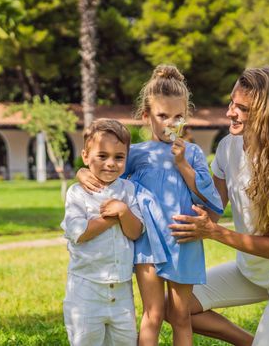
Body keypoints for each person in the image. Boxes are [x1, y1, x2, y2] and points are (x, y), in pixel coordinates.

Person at [169, 66, 269, 346]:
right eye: (231, 103)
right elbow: (211, 208)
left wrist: (213, 232)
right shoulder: (229, 146)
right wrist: (176, 170)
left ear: (268, 113)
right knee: (175, 306)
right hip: (248, 271)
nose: (230, 112)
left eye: (243, 108)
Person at [77, 64, 223, 345]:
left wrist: (182, 165)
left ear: (186, 117)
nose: (170, 122)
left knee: (181, 316)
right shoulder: (135, 154)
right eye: (163, 115)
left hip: (184, 242)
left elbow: (211, 201)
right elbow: (106, 171)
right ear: (147, 116)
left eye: (178, 116)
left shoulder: (191, 153)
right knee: (153, 314)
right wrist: (82, 172)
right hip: (148, 245)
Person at [61, 119, 144, 346]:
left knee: (125, 341)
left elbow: (135, 232)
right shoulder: (77, 193)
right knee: (86, 340)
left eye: (119, 157)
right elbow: (81, 232)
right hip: (86, 288)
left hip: (121, 290)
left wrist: (124, 211)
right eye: (102, 156)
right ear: (86, 156)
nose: (111, 163)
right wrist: (113, 216)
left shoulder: (128, 190)